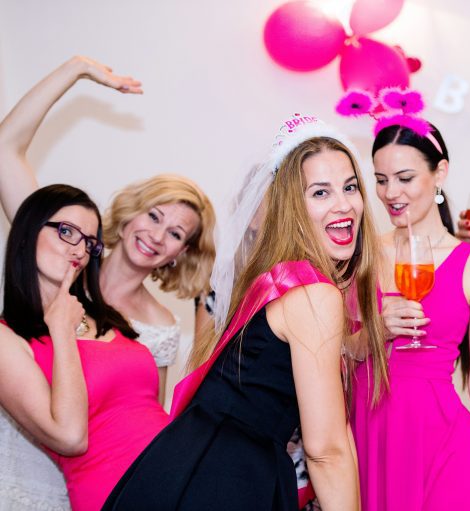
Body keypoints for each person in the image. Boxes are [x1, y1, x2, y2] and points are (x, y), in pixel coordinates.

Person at [103, 115, 388, 510]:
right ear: (293, 207)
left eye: (350, 187)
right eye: (320, 193)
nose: (343, 205)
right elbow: (326, 451)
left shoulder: (274, 281)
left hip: (183, 466)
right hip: (225, 479)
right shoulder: (313, 293)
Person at [0, 56, 215, 509]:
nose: (157, 236)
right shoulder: (66, 263)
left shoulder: (156, 323)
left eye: (175, 234)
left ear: (181, 254)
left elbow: (139, 414)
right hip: (56, 474)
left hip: (151, 479)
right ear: (130, 212)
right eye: (153, 215)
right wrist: (74, 70)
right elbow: (5, 150)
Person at [350, 120, 470, 511]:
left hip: (444, 448)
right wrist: (376, 332)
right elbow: (332, 353)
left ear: (439, 172)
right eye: (381, 180)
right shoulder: (360, 255)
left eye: (405, 178)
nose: (391, 193)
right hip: (368, 443)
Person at [0, 185, 170, 511]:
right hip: (120, 493)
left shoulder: (106, 317)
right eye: (67, 232)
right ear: (27, 231)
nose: (79, 250)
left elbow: (144, 410)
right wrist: (62, 330)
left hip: (179, 472)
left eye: (90, 242)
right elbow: (70, 437)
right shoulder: (7, 338)